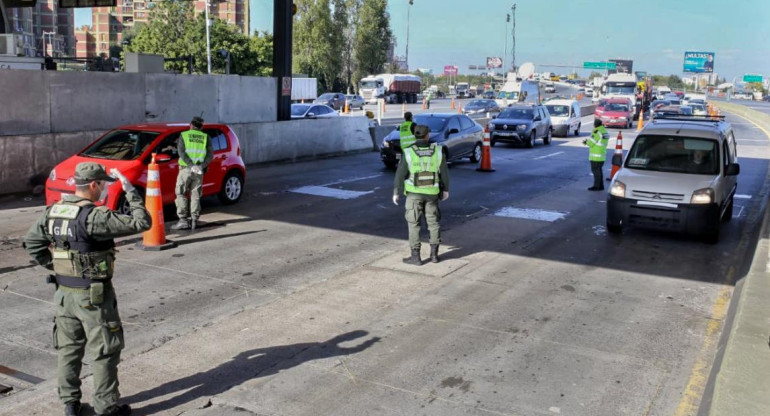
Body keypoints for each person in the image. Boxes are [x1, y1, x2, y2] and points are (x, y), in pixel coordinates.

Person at [24, 162, 151, 416]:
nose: (104, 189)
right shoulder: (94, 217)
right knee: (105, 351)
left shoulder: (53, 212)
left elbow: (32, 243)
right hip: (94, 297)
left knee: (69, 350)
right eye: (103, 184)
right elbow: (141, 222)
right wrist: (129, 189)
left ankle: (70, 405)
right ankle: (107, 408)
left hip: (63, 295)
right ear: (94, 185)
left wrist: (58, 266)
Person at [393, 124, 450, 265]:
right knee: (433, 223)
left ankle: (416, 257)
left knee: (414, 225)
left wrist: (396, 191)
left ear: (415, 135)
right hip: (432, 194)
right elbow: (445, 173)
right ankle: (434, 256)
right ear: (427, 135)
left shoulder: (408, 152)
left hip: (413, 194)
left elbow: (400, 174)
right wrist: (446, 190)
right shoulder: (437, 151)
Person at [173, 116, 213, 231]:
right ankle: (195, 220)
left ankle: (183, 221)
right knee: (195, 195)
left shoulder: (184, 135)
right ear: (201, 127)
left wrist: (191, 165)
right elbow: (210, 155)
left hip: (186, 169)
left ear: (191, 125)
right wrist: (201, 166)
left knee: (181, 193)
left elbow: (181, 152)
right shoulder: (206, 137)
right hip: (199, 170)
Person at [583, 118, 610, 191]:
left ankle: (596, 186)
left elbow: (591, 143)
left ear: (595, 125)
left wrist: (586, 142)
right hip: (602, 155)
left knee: (595, 171)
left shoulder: (596, 131)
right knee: (599, 170)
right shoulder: (604, 131)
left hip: (595, 155)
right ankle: (601, 186)